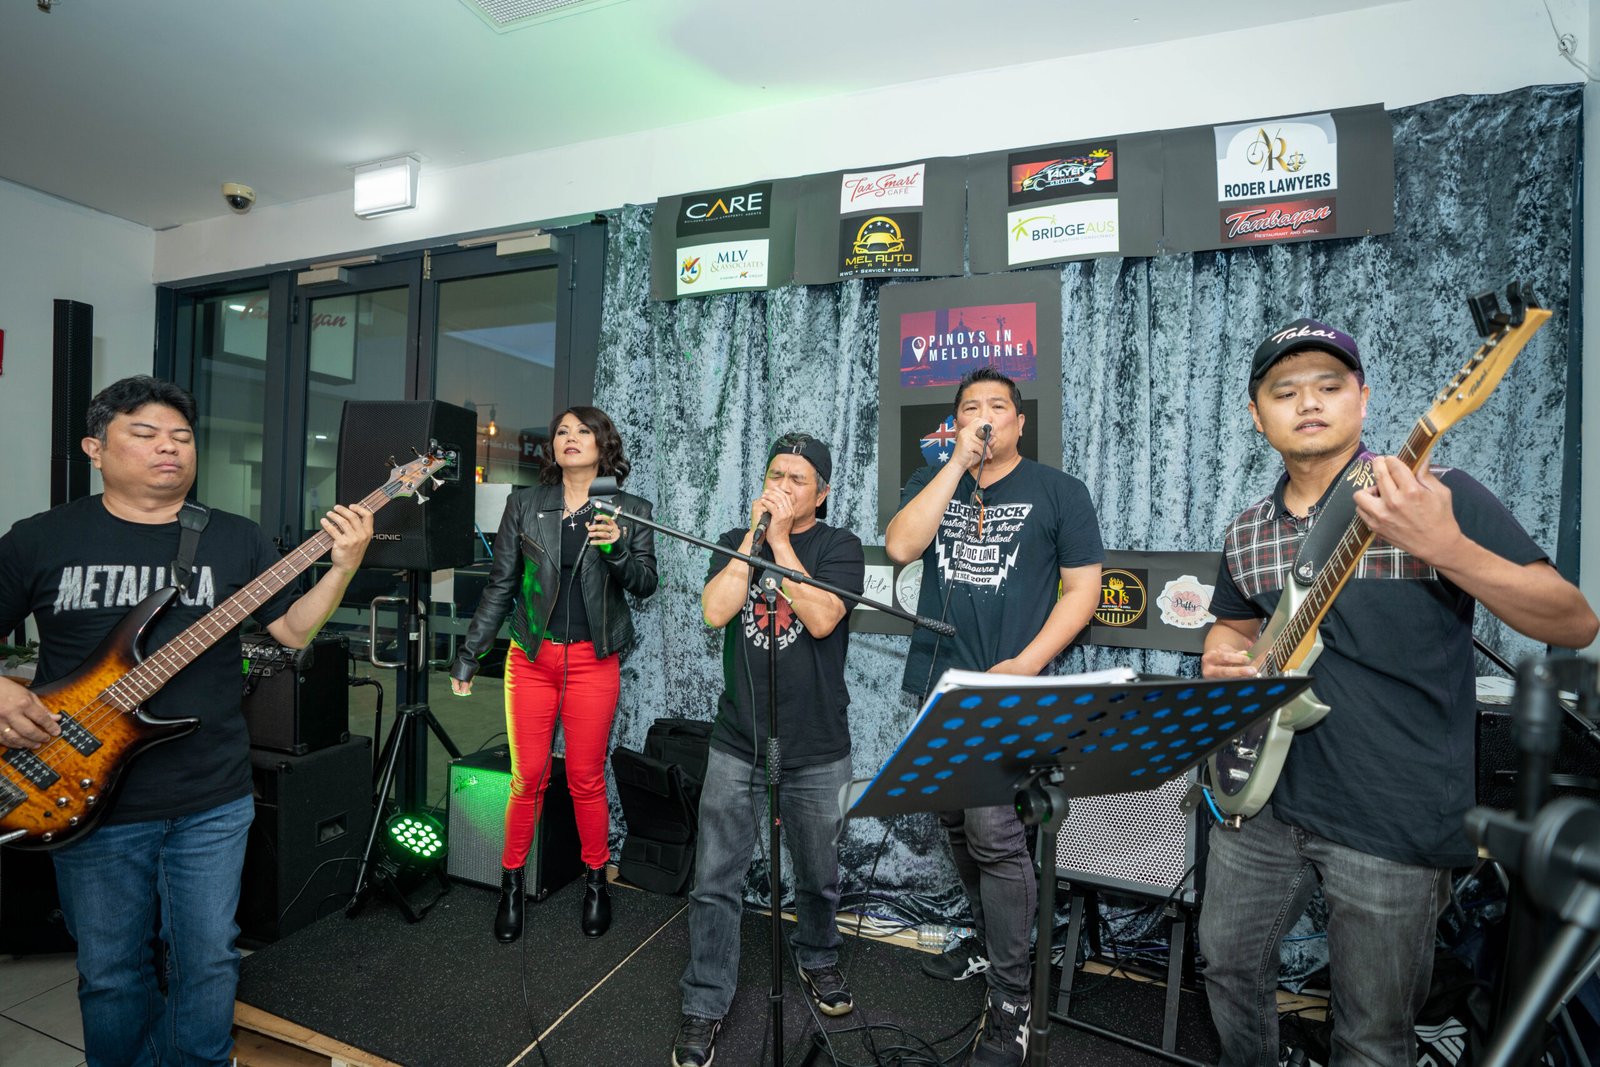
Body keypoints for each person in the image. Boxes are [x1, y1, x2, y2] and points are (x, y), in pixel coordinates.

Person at [1197, 318, 1599, 1066]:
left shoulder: (1435, 495)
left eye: (1329, 385)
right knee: (1226, 968)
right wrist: (1221, 655)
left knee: (1372, 1035)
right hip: (1262, 801)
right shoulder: (1247, 530)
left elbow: (1572, 619)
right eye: (1284, 391)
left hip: (1393, 816)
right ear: (1256, 415)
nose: (1307, 402)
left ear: (1364, 398)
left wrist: (1448, 548)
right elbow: (1232, 624)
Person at [0, 375, 373, 1067]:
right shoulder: (40, 539)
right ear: (94, 448)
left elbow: (291, 631)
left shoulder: (234, 537)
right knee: (112, 970)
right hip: (81, 791)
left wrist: (342, 568)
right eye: (145, 433)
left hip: (211, 795)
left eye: (181, 436)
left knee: (208, 960)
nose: (168, 447)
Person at [884, 367, 1104, 1067]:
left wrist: (1028, 664)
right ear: (954, 424)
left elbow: (1084, 589)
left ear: (1020, 422)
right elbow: (900, 547)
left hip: (1010, 692)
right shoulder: (934, 479)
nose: (984, 417)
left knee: (995, 835)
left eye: (998, 407)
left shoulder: (1059, 491)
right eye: (970, 408)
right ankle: (988, 944)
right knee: (954, 823)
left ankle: (1013, 1001)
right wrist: (954, 465)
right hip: (941, 687)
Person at [672, 433, 866, 1067]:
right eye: (775, 475)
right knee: (714, 879)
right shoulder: (737, 539)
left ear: (822, 493)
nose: (782, 487)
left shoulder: (840, 547)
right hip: (738, 739)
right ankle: (705, 1000)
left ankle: (819, 957)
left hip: (817, 744)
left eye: (797, 479)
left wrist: (781, 543)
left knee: (818, 873)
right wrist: (755, 542)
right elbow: (715, 611)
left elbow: (823, 618)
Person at [452, 405, 657, 942]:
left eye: (583, 431)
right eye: (562, 431)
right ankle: (511, 884)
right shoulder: (525, 505)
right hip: (531, 660)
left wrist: (614, 547)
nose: (570, 437)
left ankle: (596, 882)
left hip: (594, 662)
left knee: (587, 779)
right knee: (528, 778)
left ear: (603, 444)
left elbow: (644, 583)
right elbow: (500, 584)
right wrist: (470, 653)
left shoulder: (630, 510)